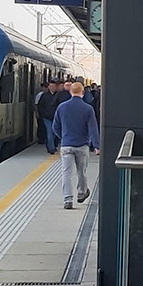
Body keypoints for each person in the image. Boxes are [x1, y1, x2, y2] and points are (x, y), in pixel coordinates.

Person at [53, 81, 99, 209]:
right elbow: (93, 128)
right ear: (82, 92)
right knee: (81, 171)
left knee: (66, 173)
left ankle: (68, 199)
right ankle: (82, 193)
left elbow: (55, 127)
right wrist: (96, 146)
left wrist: (64, 137)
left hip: (66, 145)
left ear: (70, 91)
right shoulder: (88, 109)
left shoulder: (62, 107)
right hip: (82, 145)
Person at [33, 80, 51, 146]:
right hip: (40, 114)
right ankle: (41, 139)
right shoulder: (40, 95)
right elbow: (36, 105)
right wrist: (37, 113)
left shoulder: (46, 95)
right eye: (45, 87)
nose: (46, 88)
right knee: (41, 126)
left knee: (43, 127)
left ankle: (43, 139)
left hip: (44, 114)